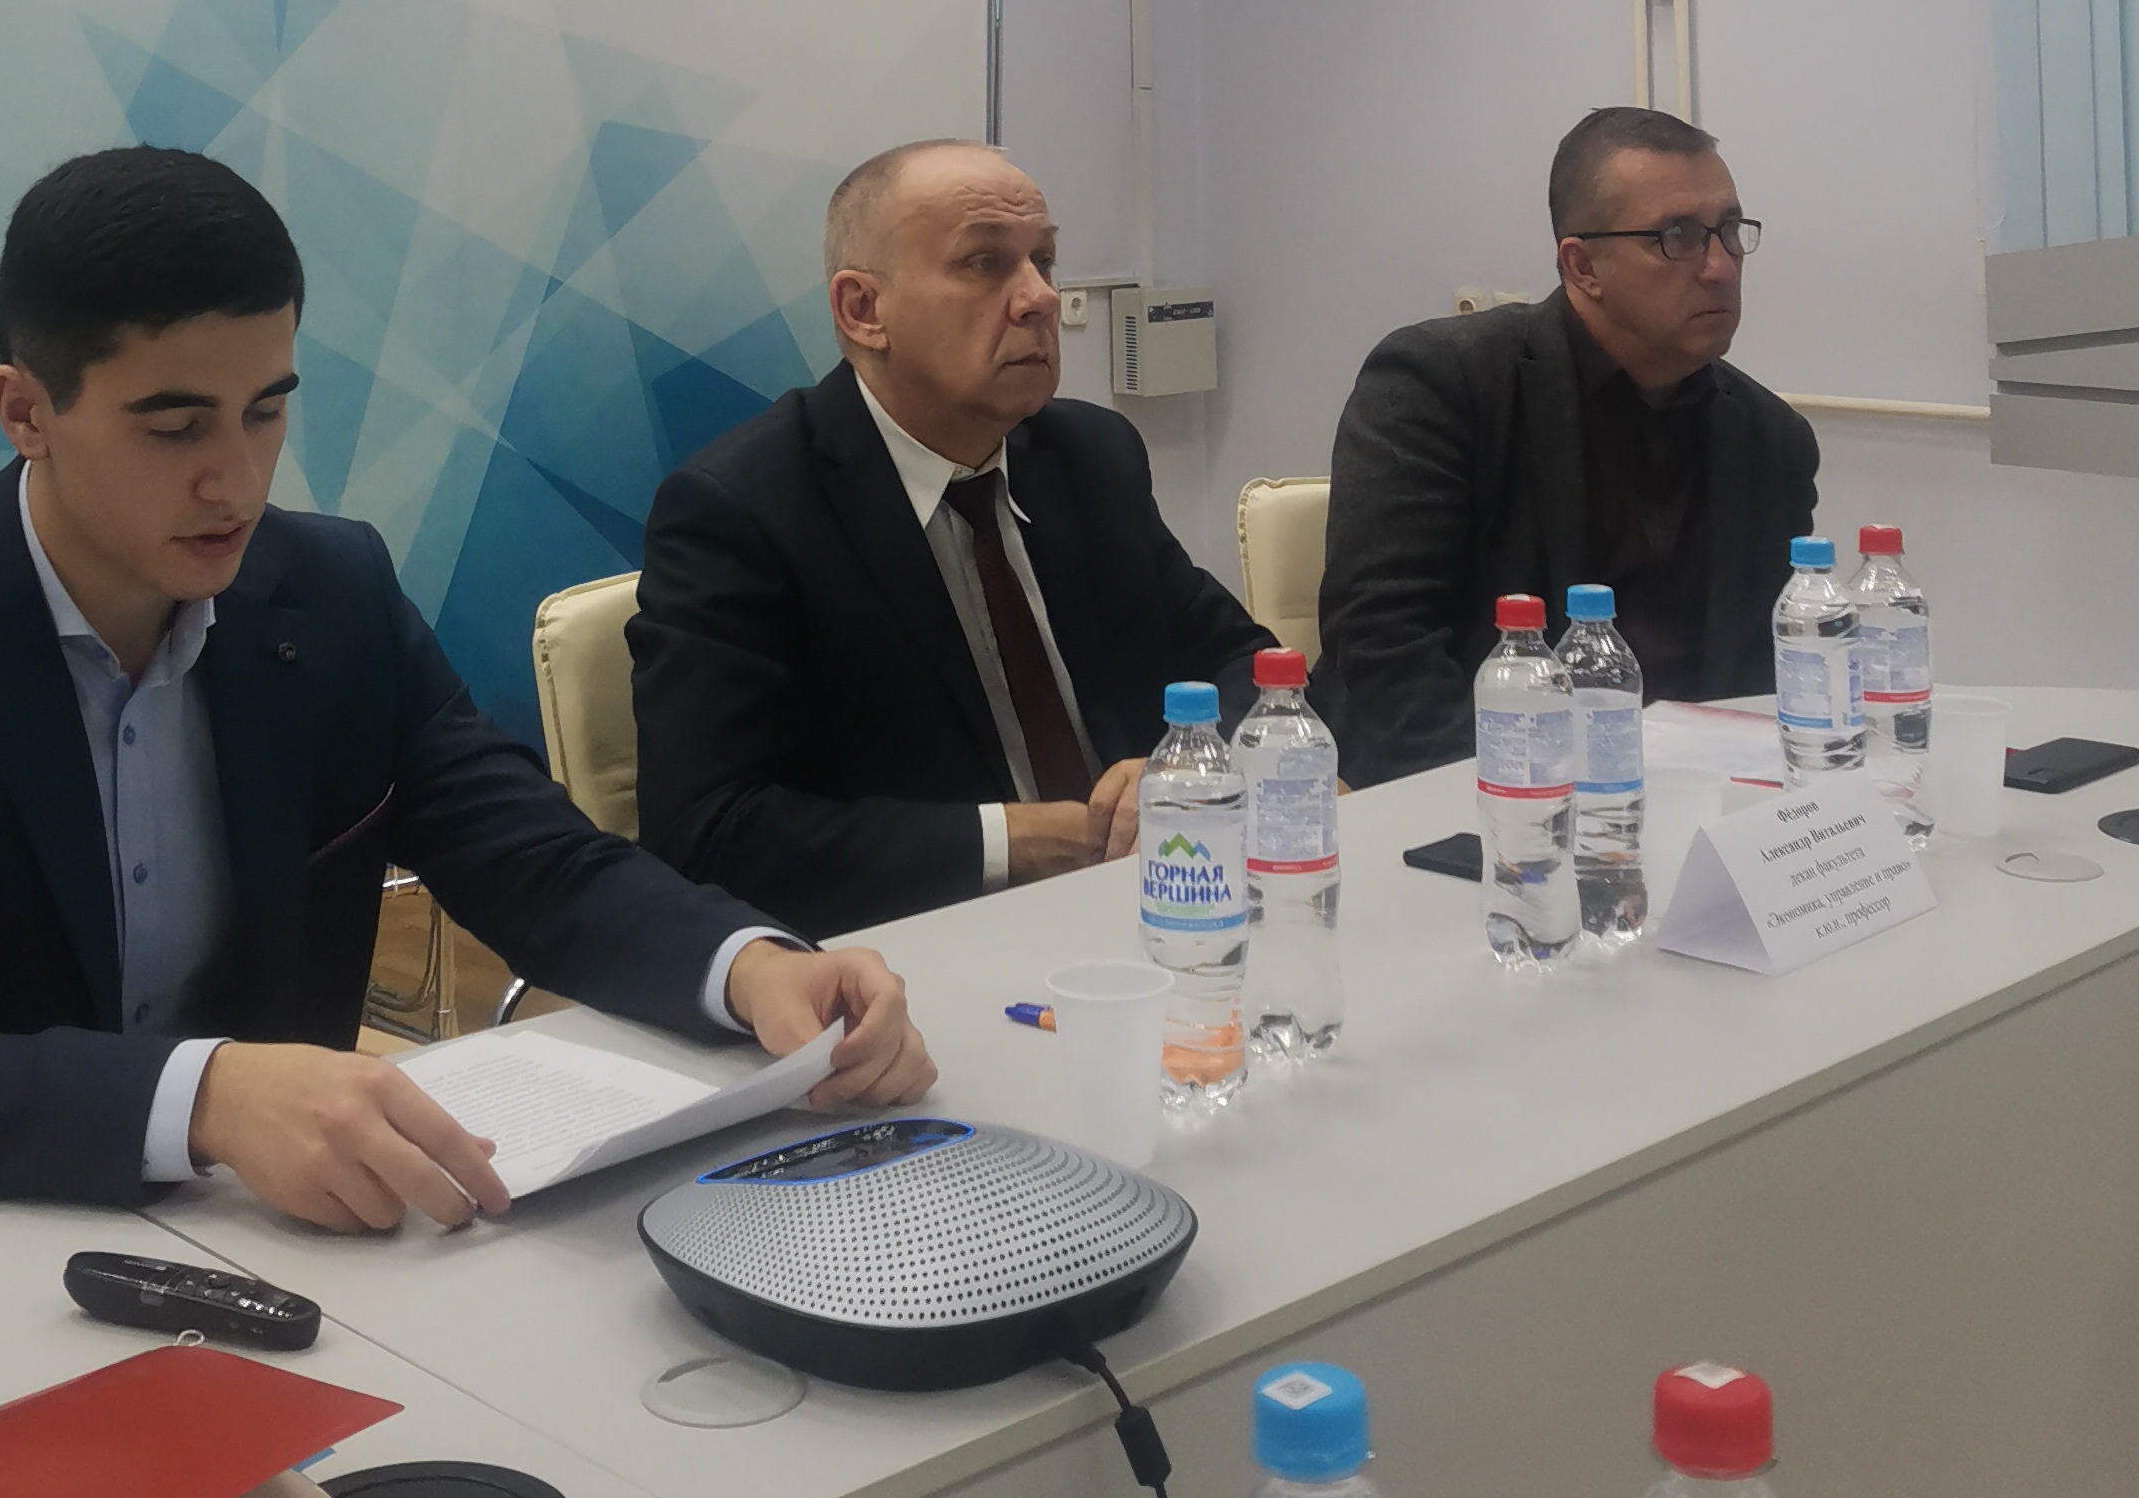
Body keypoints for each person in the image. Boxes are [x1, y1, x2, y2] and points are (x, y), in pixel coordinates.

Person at [0, 148, 931, 1226]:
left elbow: (536, 862)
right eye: (175, 427)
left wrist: (749, 964)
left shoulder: (329, 594)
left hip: (275, 1242)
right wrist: (207, 1095)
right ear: (26, 410)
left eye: (266, 411)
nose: (236, 480)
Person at [629, 139, 1273, 938]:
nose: (1040, 298)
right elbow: (707, 833)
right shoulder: (742, 510)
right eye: (985, 264)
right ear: (863, 311)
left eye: (1043, 260)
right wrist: (1013, 840)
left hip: (1149, 906)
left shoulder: (1092, 456)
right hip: (919, 948)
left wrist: (1185, 769)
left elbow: (1251, 669)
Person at [1311, 105, 1819, 786]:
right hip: (1469, 791)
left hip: (1689, 800)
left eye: (1729, 230)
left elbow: (1768, 672)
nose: (1721, 267)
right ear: (1582, 266)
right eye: (1678, 237)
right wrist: (1530, 804)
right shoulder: (1441, 384)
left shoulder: (1770, 439)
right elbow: (1384, 649)